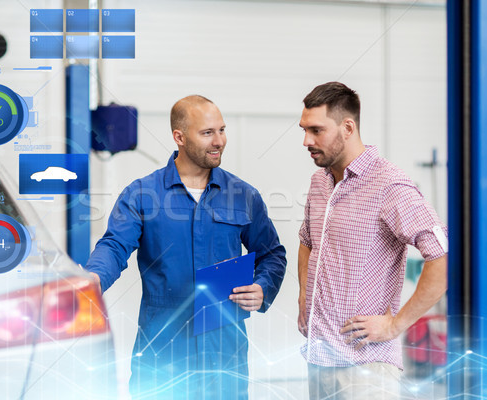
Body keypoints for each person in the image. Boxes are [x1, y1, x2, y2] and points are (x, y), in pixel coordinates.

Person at [85, 95, 287, 399]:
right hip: (163, 353)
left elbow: (272, 254)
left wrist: (262, 287)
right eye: (207, 133)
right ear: (179, 137)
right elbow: (114, 246)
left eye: (222, 130)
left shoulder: (242, 195)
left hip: (224, 355)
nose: (219, 141)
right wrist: (92, 280)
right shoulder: (142, 194)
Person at [296, 82, 448, 399]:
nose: (306, 141)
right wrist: (303, 296)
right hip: (318, 360)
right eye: (304, 130)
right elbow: (308, 241)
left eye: (316, 130)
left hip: (366, 370)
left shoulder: (389, 184)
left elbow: (443, 258)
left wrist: (395, 325)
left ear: (347, 127)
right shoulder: (319, 182)